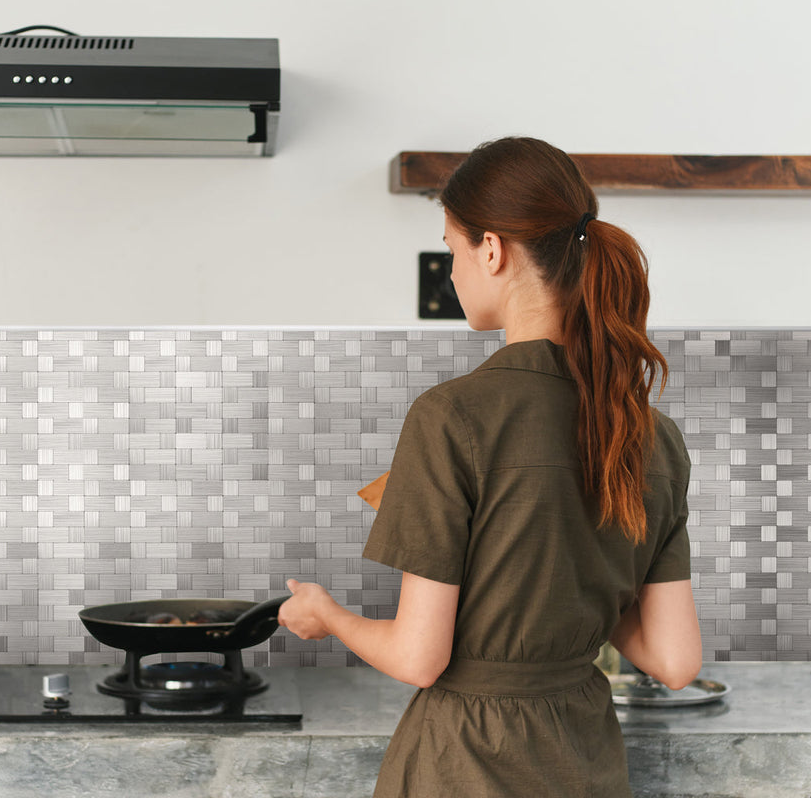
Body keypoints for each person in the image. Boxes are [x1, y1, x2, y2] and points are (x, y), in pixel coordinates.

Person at [277, 136, 703, 798]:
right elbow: (675, 662)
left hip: (467, 764)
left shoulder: (453, 416)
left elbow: (419, 658)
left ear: (493, 249)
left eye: (452, 249)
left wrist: (325, 614)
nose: (452, 271)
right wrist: (570, 577)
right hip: (586, 761)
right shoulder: (653, 435)